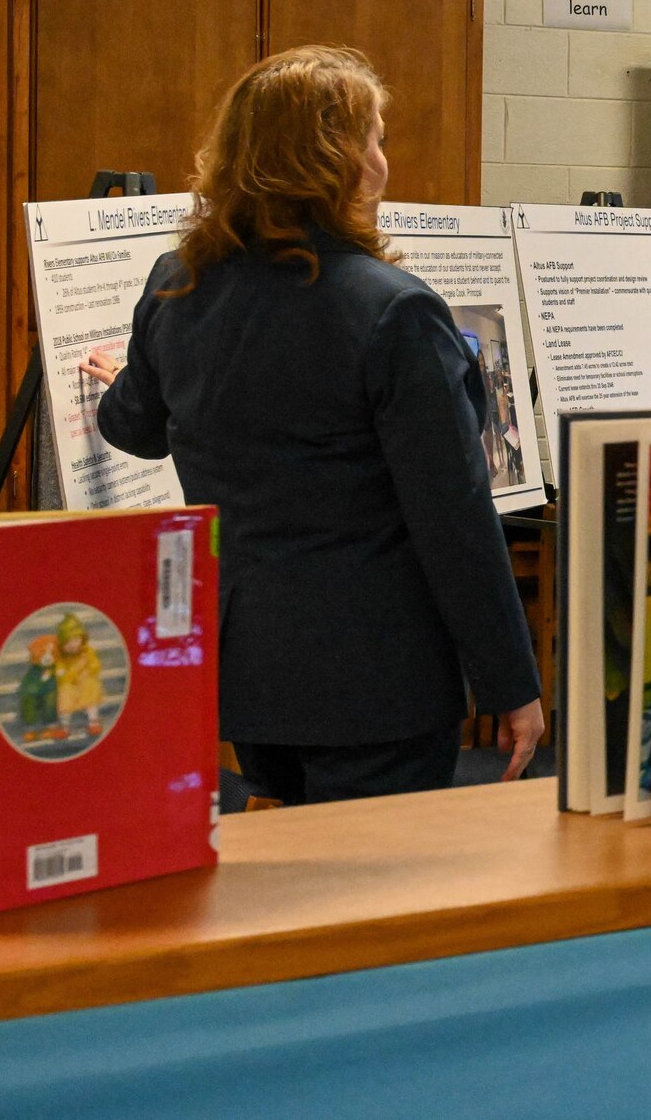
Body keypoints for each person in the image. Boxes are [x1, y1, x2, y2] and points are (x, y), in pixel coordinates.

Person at [84, 45, 543, 805]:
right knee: (375, 901)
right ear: (338, 161)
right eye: (376, 138)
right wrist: (512, 683)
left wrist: (129, 377)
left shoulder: (178, 284)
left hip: (247, 668)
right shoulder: (393, 310)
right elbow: (454, 519)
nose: (383, 161)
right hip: (376, 677)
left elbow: (135, 426)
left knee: (286, 896)